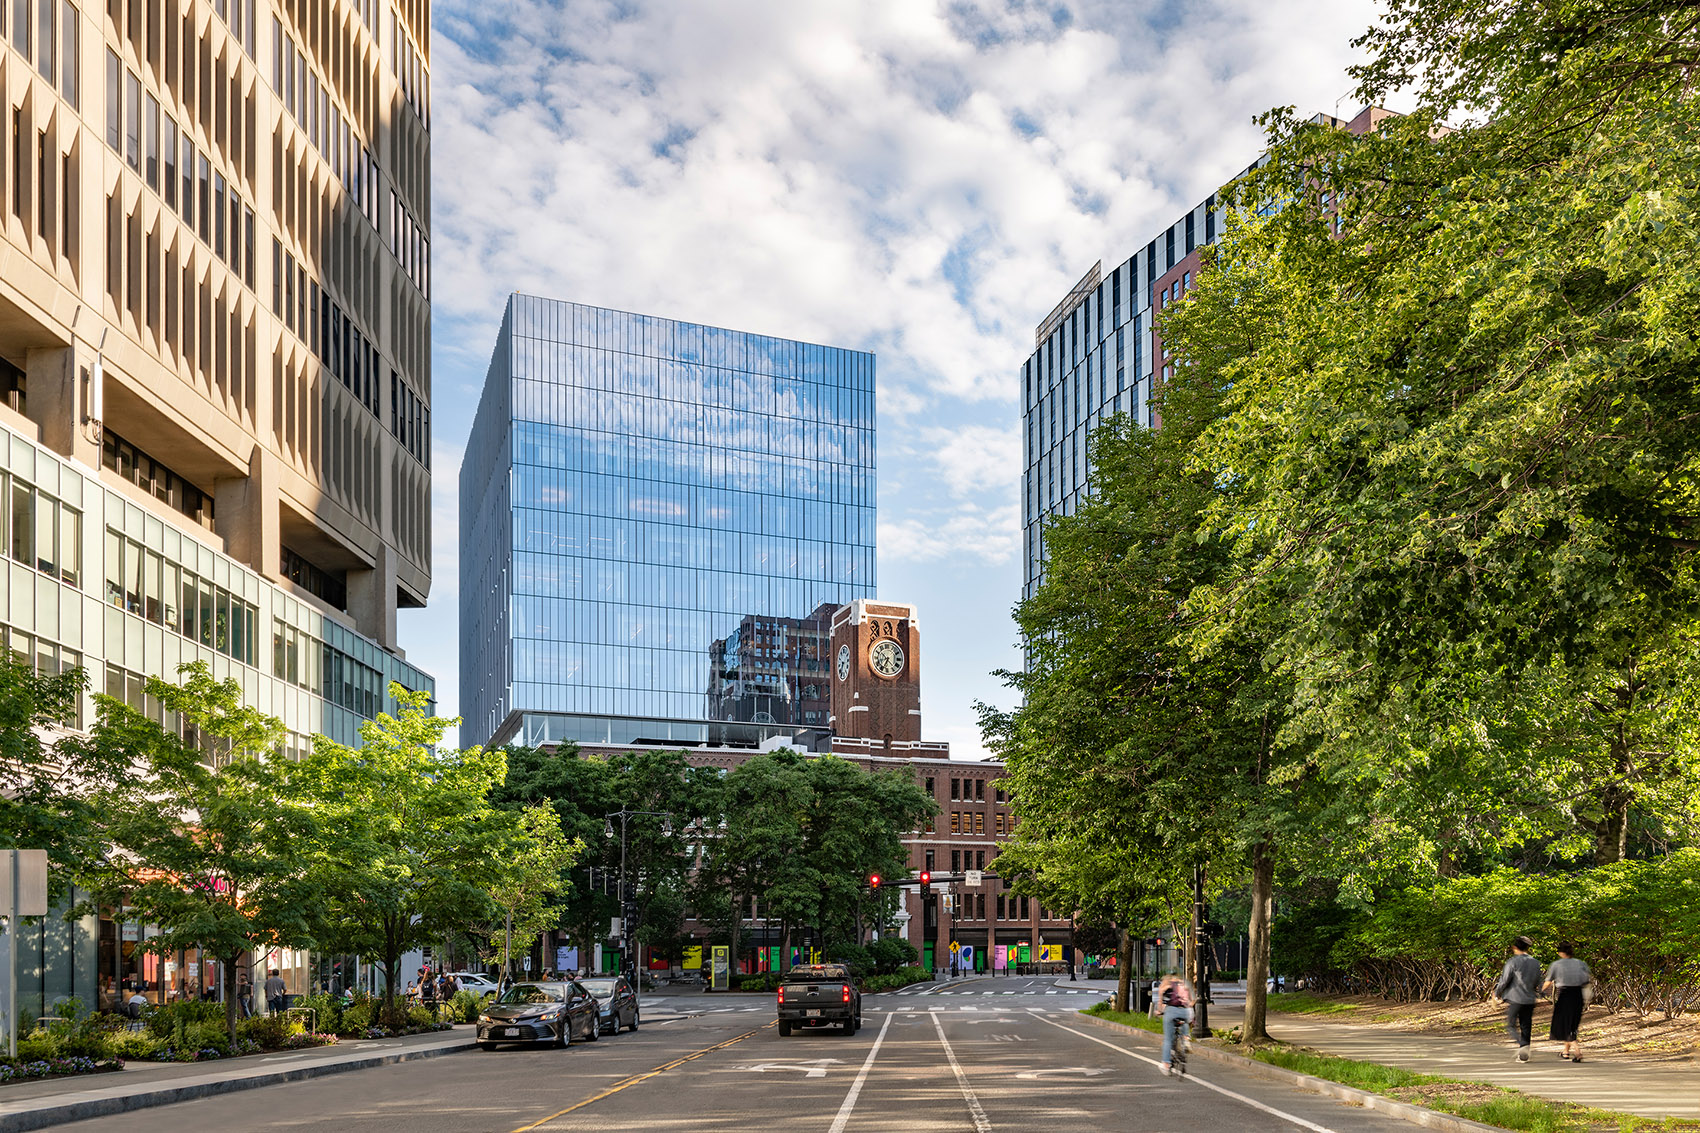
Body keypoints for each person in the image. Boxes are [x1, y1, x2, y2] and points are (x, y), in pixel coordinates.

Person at [1492, 936, 1541, 1061]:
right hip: (1530, 999)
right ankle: (1524, 1055)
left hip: (1515, 998)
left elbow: (1504, 980)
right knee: (1526, 1026)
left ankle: (1522, 1046)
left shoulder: (1513, 962)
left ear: (1514, 947)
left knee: (1510, 1025)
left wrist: (1496, 993)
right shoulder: (1535, 962)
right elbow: (1537, 982)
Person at [1543, 943, 1592, 1063]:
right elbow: (1587, 980)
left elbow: (1548, 981)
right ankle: (1565, 1051)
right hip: (1578, 995)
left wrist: (1540, 991)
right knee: (1572, 1024)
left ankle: (1577, 1052)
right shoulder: (1581, 963)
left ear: (1561, 953)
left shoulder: (1556, 965)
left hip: (1565, 995)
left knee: (1564, 1025)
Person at [1157, 975, 1195, 1076]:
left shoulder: (1165, 985)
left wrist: (1159, 1011)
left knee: (1168, 1039)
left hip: (1171, 1011)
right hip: (1186, 1011)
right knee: (1184, 1021)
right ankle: (1186, 1038)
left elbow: (1160, 1004)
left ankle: (1166, 1064)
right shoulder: (1185, 983)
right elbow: (1192, 1000)